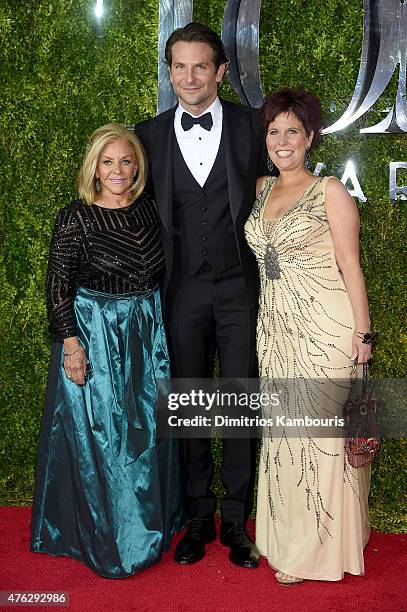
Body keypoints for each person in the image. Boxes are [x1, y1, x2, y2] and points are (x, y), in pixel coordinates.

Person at [135, 22, 267, 568]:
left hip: (240, 288)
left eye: (200, 66)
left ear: (221, 71)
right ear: (170, 72)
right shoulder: (147, 135)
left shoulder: (253, 126)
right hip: (180, 289)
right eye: (179, 66)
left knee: (238, 403)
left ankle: (235, 519)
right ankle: (196, 516)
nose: (189, 77)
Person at [30, 124, 185, 578]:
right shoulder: (76, 217)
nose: (118, 170)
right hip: (95, 337)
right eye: (108, 162)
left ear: (138, 167)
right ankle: (107, 536)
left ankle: (150, 526)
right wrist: (71, 345)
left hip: (144, 336)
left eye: (126, 161)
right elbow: (57, 285)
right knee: (103, 438)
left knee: (148, 431)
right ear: (94, 168)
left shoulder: (148, 211)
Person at [245, 88, 372, 584]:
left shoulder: (330, 192)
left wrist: (364, 335)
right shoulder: (260, 189)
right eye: (274, 131)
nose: (282, 141)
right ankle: (286, 539)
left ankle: (316, 552)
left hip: (326, 329)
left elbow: (350, 265)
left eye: (291, 132)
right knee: (285, 437)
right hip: (274, 332)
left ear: (310, 138)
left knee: (318, 440)